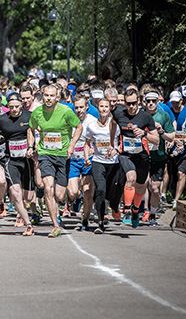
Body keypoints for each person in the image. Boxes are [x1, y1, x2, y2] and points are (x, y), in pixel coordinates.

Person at [29, 84, 83, 238]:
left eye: (52, 96)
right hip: (45, 154)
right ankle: (55, 225)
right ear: (42, 95)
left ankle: (72, 199)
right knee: (48, 189)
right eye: (46, 95)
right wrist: (30, 146)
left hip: (62, 155)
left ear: (57, 97)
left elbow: (79, 127)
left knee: (59, 195)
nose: (48, 98)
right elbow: (30, 128)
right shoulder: (37, 112)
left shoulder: (66, 111)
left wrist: (71, 145)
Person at [0, 93, 35, 236]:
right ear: (7, 106)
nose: (14, 110)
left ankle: (26, 212)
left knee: (28, 196)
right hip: (11, 160)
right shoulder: (2, 119)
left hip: (27, 159)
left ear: (21, 105)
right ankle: (27, 224)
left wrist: (32, 147)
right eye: (11, 107)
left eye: (16, 107)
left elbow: (36, 132)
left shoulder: (29, 116)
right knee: (15, 193)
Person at [113, 88, 159, 227]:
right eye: (128, 104)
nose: (131, 106)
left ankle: (135, 210)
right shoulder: (119, 114)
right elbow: (110, 125)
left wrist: (144, 134)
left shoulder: (146, 118)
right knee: (130, 178)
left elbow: (156, 140)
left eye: (134, 103)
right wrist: (112, 144)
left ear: (139, 102)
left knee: (140, 186)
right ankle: (127, 211)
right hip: (126, 155)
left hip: (142, 156)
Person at [84, 98, 123, 233]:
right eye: (101, 106)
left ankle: (113, 206)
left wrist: (115, 150)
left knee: (112, 192)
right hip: (98, 161)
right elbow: (87, 142)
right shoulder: (92, 126)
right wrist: (86, 156)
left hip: (113, 163)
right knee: (100, 189)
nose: (104, 109)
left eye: (107, 106)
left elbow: (121, 142)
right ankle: (100, 222)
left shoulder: (115, 125)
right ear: (98, 108)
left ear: (110, 108)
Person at [144, 90, 175, 225]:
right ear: (144, 102)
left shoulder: (164, 116)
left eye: (153, 101)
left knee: (155, 188)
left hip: (158, 156)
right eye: (148, 101)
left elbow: (171, 136)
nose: (150, 104)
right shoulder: (140, 115)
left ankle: (152, 214)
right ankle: (140, 211)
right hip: (142, 155)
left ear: (158, 102)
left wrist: (161, 131)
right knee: (142, 183)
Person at [67, 95, 97, 229]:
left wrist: (93, 150)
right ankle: (77, 198)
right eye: (76, 107)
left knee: (88, 191)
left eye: (81, 107)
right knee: (73, 192)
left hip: (88, 160)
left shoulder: (93, 121)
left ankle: (85, 219)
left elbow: (101, 140)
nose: (79, 110)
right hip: (73, 160)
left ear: (87, 107)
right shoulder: (69, 120)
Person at [167, 90, 186, 210]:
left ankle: (176, 200)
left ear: (181, 101)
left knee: (181, 173)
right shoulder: (168, 110)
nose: (175, 105)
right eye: (172, 102)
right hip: (170, 147)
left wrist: (183, 141)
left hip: (185, 149)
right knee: (171, 172)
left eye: (177, 102)